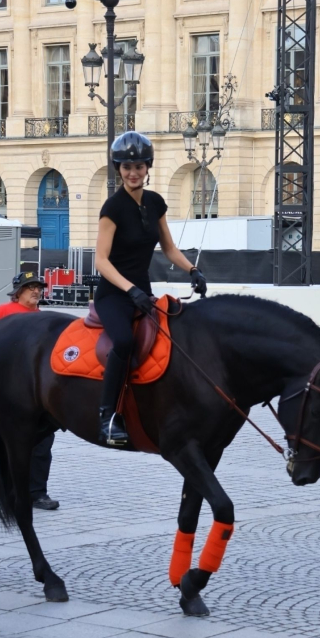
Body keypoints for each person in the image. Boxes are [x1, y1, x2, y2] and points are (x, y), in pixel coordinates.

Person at [95, 131, 207, 446]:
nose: (133, 172)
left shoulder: (155, 202)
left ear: (148, 167)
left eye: (139, 166)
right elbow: (101, 261)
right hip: (114, 294)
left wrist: (193, 270)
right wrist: (130, 290)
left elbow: (169, 249)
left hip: (142, 292)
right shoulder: (112, 208)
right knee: (124, 340)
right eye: (126, 166)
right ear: (118, 168)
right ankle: (107, 416)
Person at [0, 271, 60, 510]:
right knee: (3, 441)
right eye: (30, 287)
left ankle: (37, 493)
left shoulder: (42, 318)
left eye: (38, 287)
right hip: (8, 392)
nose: (36, 291)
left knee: (42, 444)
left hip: (36, 394)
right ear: (18, 292)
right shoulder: (4, 312)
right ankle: (0, 490)